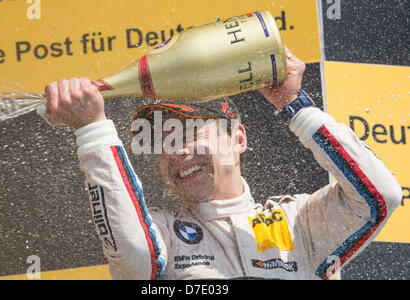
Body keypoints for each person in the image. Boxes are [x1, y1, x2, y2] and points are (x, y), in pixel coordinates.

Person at [40, 48, 402, 280]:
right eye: (163, 140)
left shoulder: (298, 224)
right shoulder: (163, 235)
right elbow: (137, 257)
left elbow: (379, 196)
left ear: (238, 139)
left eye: (189, 133)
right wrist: (93, 131)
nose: (175, 151)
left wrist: (295, 105)